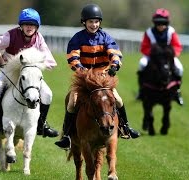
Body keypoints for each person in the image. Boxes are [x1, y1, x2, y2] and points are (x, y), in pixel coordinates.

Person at [54, 4, 140, 150]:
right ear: (84, 22)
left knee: (118, 100)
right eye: (90, 22)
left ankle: (126, 128)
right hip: (84, 79)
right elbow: (73, 57)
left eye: (96, 22)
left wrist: (114, 66)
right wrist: (83, 71)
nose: (93, 25)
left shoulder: (105, 37)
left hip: (103, 79)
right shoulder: (77, 38)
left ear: (99, 22)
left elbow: (115, 53)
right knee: (72, 102)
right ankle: (67, 136)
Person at [0, 8, 59, 141]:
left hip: (29, 75)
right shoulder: (11, 35)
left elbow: (50, 60)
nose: (29, 27)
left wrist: (37, 64)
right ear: (21, 26)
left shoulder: (39, 38)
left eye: (32, 24)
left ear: (37, 27)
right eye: (26, 24)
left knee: (48, 94)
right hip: (10, 72)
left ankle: (42, 124)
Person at [136, 8, 184, 106]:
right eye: (158, 23)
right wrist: (154, 53)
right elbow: (144, 47)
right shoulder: (149, 32)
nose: (161, 26)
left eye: (163, 23)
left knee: (180, 68)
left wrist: (171, 53)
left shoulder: (171, 32)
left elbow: (177, 46)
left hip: (168, 57)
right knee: (142, 64)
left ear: (167, 23)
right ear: (155, 23)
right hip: (152, 57)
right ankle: (141, 90)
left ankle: (177, 92)